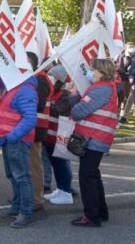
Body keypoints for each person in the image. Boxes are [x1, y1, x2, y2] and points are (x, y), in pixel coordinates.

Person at [69, 59, 118, 227]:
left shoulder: (101, 90)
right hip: (96, 138)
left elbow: (77, 112)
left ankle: (91, 216)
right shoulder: (106, 88)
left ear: (101, 72)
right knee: (93, 176)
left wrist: (74, 97)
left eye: (92, 69)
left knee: (87, 177)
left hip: (94, 139)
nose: (89, 72)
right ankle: (100, 212)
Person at [0, 67, 38, 228]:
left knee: (21, 176)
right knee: (13, 175)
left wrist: (12, 136)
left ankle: (26, 212)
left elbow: (30, 119)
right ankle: (17, 207)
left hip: (16, 140)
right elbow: (4, 111)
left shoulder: (25, 89)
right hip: (8, 139)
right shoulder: (11, 87)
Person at [41, 65, 75, 205]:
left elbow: (57, 110)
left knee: (61, 164)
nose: (50, 80)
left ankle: (66, 192)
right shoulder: (51, 92)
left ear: (60, 80)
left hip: (59, 135)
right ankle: (61, 189)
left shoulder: (65, 94)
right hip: (49, 135)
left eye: (52, 77)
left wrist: (43, 103)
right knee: (55, 163)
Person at [29, 53, 50, 212]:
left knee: (34, 164)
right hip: (31, 125)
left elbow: (39, 105)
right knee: (29, 164)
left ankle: (37, 199)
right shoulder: (34, 78)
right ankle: (29, 195)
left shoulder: (40, 80)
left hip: (37, 126)